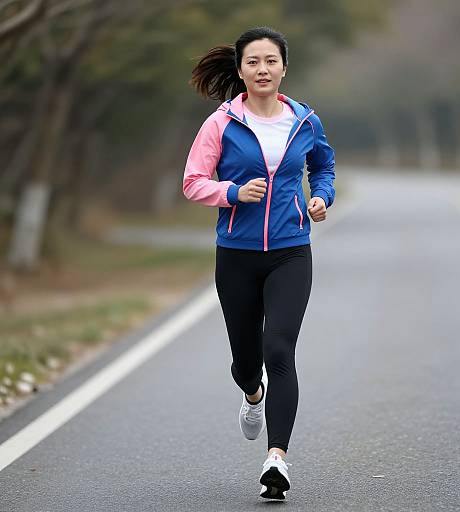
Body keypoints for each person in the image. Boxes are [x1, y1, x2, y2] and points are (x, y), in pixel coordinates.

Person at [183, 26, 335, 500]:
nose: (262, 69)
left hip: (291, 250)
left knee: (280, 350)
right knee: (247, 363)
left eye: (271, 60)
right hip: (237, 255)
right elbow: (193, 182)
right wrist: (231, 193)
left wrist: (321, 197)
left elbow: (324, 168)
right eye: (253, 61)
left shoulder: (304, 121)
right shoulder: (221, 124)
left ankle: (278, 459)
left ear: (284, 67)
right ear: (241, 69)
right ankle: (252, 395)